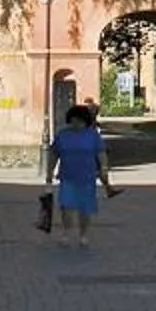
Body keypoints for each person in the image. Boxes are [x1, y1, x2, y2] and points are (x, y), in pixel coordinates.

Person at [43, 103, 115, 247]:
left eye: (80, 121)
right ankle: (67, 233)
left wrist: (104, 168)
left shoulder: (93, 135)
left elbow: (101, 153)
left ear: (86, 121)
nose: (76, 124)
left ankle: (83, 234)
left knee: (85, 208)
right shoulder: (63, 135)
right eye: (74, 120)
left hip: (87, 177)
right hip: (67, 176)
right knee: (66, 206)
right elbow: (53, 155)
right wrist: (49, 173)